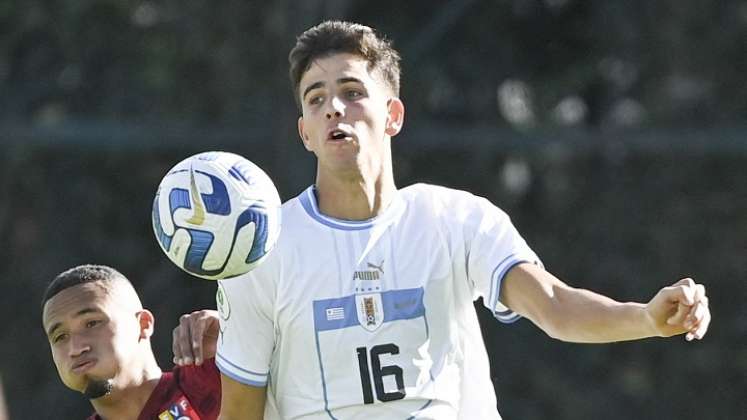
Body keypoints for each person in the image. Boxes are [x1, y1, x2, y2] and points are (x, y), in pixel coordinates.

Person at [215, 21, 711, 419]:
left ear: (393, 115)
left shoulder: (455, 219)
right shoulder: (264, 251)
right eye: (316, 98)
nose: (333, 109)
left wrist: (645, 317)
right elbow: (241, 412)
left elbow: (555, 306)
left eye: (351, 91)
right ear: (303, 133)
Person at [41, 264, 222, 419]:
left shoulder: (211, 381)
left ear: (143, 324)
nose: (76, 348)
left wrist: (234, 334)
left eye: (92, 323)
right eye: (60, 337)